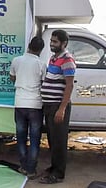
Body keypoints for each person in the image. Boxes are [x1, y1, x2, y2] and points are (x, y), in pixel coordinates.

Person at [39, 29, 75, 184]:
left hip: (57, 107)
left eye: (55, 42)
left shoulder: (67, 60)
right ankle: (54, 167)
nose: (51, 44)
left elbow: (69, 86)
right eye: (51, 41)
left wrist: (62, 109)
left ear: (64, 43)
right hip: (49, 105)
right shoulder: (54, 58)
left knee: (59, 141)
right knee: (53, 140)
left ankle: (58, 174)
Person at [9, 36, 45, 180]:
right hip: (35, 105)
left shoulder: (16, 60)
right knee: (35, 139)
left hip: (20, 103)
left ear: (29, 46)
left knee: (21, 137)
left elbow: (12, 77)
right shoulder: (41, 64)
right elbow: (43, 83)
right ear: (40, 50)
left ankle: (23, 166)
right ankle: (31, 170)